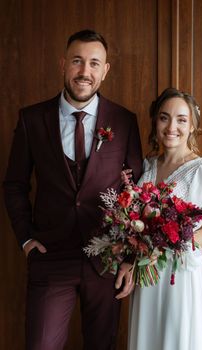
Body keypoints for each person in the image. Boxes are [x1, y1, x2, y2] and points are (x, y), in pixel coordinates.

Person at [3, 29, 142, 350]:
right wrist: (25, 238)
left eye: (94, 63)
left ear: (105, 70)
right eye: (77, 61)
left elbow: (137, 192)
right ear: (63, 64)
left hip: (107, 260)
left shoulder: (123, 121)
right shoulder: (31, 119)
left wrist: (130, 257)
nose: (85, 72)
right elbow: (14, 185)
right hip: (50, 257)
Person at [127, 88, 202, 350]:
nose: (171, 126)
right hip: (148, 273)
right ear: (156, 122)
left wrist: (172, 240)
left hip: (181, 274)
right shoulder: (148, 165)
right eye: (164, 118)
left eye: (181, 119)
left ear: (192, 126)